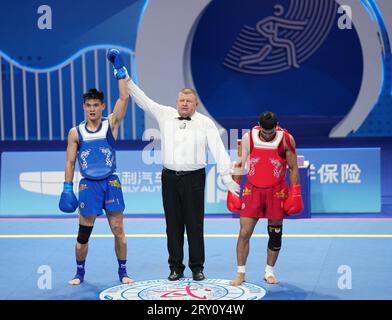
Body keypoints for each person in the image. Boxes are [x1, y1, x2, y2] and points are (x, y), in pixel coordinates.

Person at [107, 50, 239, 282]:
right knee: (173, 226)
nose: (184, 104)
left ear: (196, 104)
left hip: (195, 179)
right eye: (181, 100)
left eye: (188, 101)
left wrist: (227, 178)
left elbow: (219, 151)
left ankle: (197, 267)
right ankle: (175, 267)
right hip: (169, 178)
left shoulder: (206, 124)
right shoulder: (165, 114)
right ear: (176, 102)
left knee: (195, 225)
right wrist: (123, 75)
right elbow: (142, 99)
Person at [58, 49, 133, 285]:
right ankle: (79, 272)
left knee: (118, 230)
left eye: (96, 105)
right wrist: (67, 187)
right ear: (84, 107)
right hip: (88, 185)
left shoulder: (110, 124)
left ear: (102, 106)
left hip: (110, 183)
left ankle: (123, 272)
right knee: (83, 234)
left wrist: (119, 71)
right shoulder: (75, 132)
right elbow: (70, 161)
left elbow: (124, 99)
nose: (92, 108)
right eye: (88, 105)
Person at [227, 111, 303, 286]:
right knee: (244, 232)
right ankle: (240, 273)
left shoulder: (286, 139)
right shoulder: (248, 137)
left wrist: (296, 192)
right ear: (259, 126)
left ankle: (269, 271)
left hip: (276, 192)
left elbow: (292, 167)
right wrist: (233, 189)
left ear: (276, 126)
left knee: (275, 235)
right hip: (252, 191)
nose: (268, 135)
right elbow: (239, 163)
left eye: (271, 131)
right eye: (265, 131)